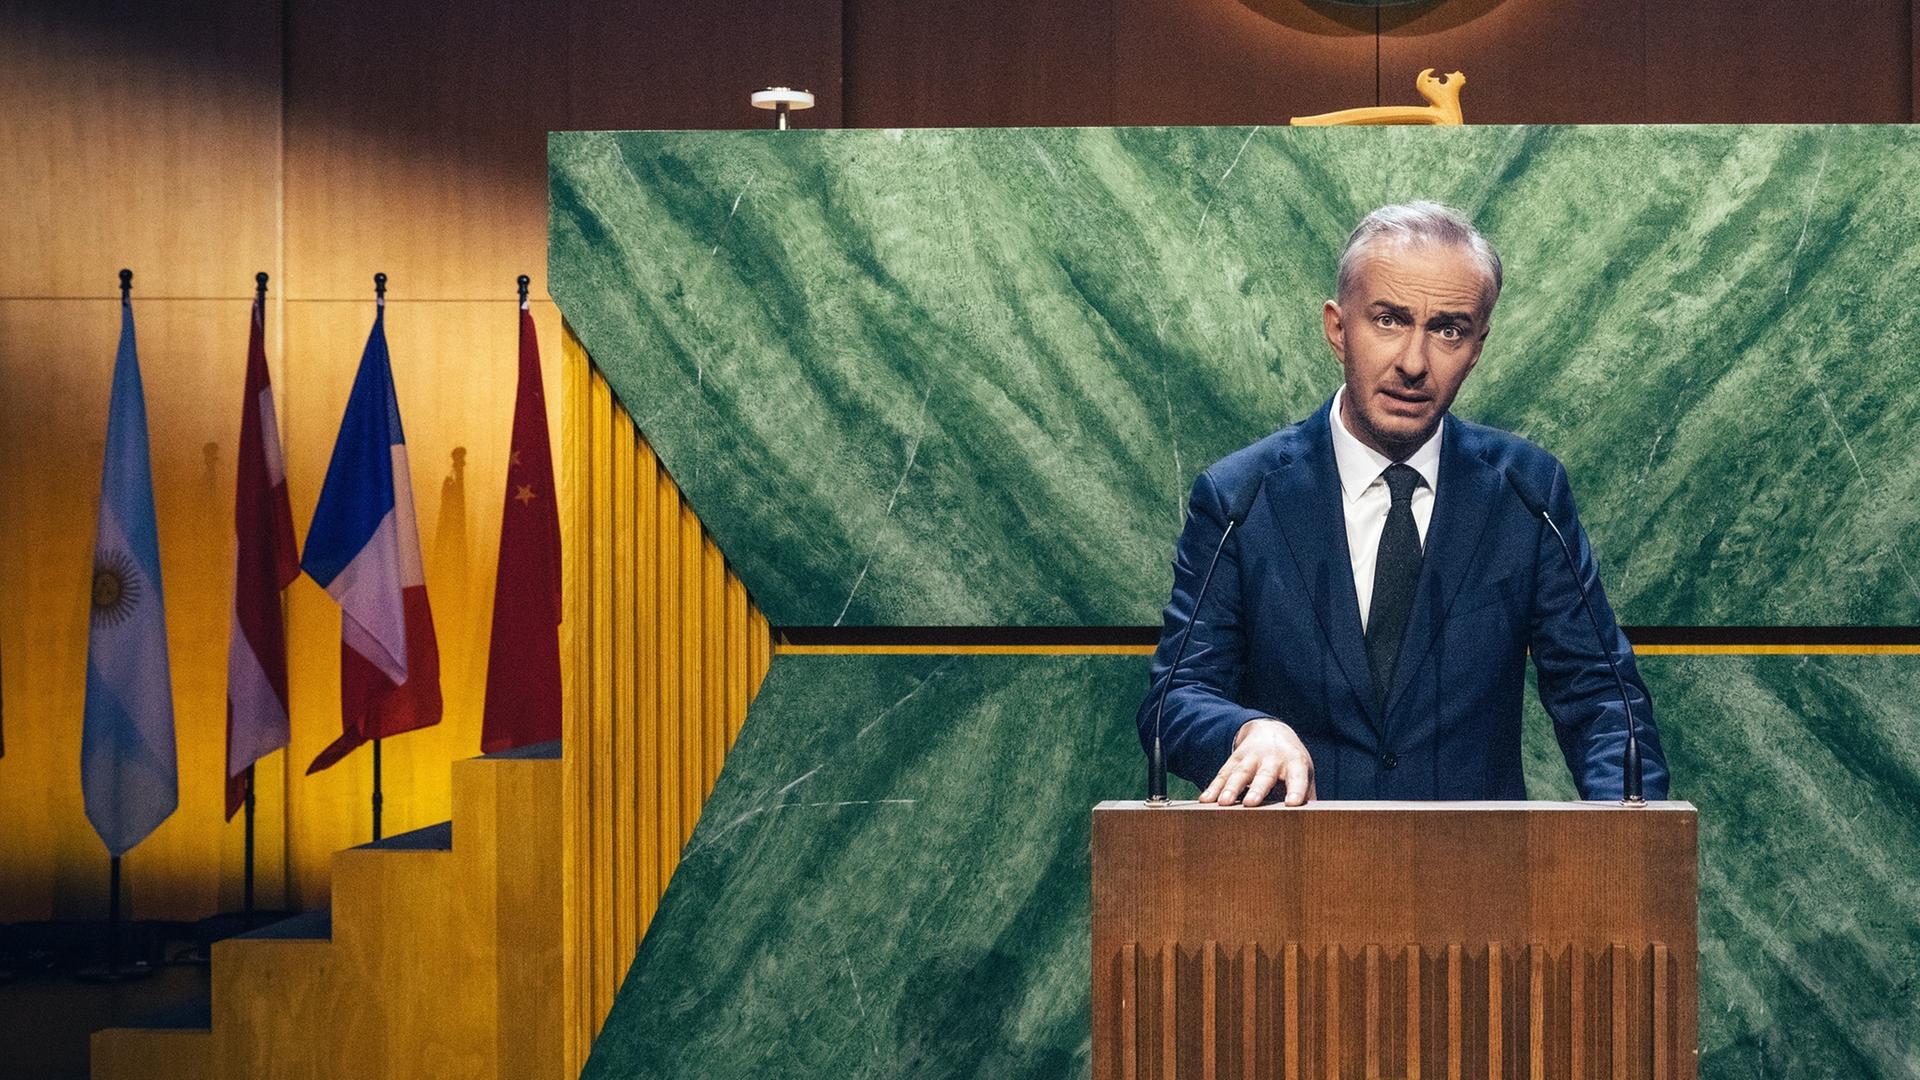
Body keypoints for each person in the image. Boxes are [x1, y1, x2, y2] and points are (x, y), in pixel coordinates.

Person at [1137, 201, 1669, 807]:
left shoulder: (1527, 493)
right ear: (1338, 329)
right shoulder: (1241, 497)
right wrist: (1245, 730)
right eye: (1388, 320)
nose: (1414, 363)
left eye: (1448, 330)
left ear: (1477, 347)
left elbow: (1602, 697)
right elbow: (1174, 701)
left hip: (1476, 884)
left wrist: (1629, 855)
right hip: (1288, 879)